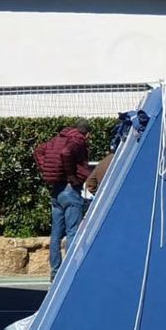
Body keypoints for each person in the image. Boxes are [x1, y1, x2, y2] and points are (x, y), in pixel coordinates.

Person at [37, 120, 92, 281]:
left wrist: (45, 169)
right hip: (70, 190)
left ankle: (55, 272)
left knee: (56, 234)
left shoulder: (57, 139)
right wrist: (71, 175)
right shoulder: (77, 141)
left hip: (57, 189)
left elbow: (39, 150)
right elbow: (66, 153)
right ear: (87, 133)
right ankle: (70, 270)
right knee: (72, 231)